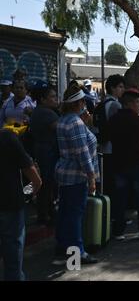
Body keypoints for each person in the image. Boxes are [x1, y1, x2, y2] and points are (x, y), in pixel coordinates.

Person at [53, 84, 99, 265]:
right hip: (76, 176)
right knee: (74, 216)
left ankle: (62, 249)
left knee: (65, 213)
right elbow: (82, 153)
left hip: (65, 174)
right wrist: (91, 176)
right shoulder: (75, 123)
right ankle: (77, 253)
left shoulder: (64, 120)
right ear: (79, 103)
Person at [109, 88, 139, 240]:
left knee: (120, 199)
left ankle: (119, 231)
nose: (138, 105)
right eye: (137, 102)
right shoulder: (138, 119)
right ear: (130, 103)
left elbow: (109, 137)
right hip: (138, 163)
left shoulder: (114, 119)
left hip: (119, 163)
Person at [0, 129, 41, 281]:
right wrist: (36, 186)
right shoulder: (7, 137)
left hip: (9, 203)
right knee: (12, 250)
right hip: (9, 202)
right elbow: (28, 168)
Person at [29, 85, 59, 226]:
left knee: (46, 183)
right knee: (47, 183)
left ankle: (46, 211)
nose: (55, 99)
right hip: (47, 151)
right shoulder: (47, 113)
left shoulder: (38, 111)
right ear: (43, 99)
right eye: (52, 97)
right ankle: (46, 213)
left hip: (42, 149)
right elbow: (61, 129)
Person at [97, 74, 125, 199]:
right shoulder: (115, 105)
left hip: (103, 146)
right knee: (114, 183)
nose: (122, 90)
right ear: (112, 88)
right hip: (113, 148)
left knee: (106, 182)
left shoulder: (103, 103)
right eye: (120, 87)